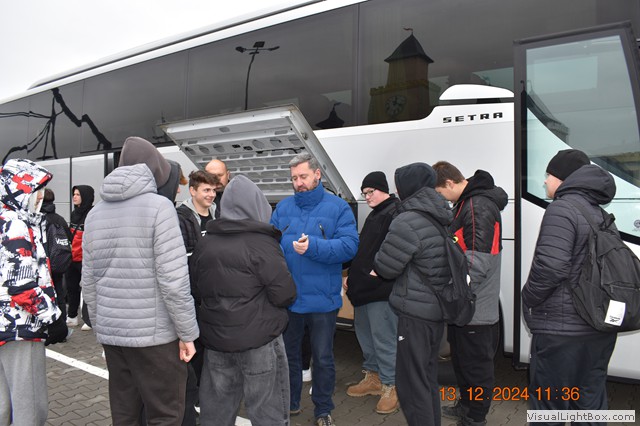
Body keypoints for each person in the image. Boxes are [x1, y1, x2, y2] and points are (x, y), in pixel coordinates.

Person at [82, 136, 199, 425]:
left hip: (113, 336)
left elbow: (89, 281)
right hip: (155, 338)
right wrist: (187, 334)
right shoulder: (160, 208)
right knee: (166, 414)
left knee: (125, 414)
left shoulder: (94, 214)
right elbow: (174, 282)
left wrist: (101, 326)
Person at [522, 149, 617, 425]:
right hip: (597, 329)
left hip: (561, 332)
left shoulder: (561, 209)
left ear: (563, 178)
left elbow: (551, 268)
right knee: (589, 403)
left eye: (548, 175)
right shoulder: (599, 212)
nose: (545, 181)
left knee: (550, 408)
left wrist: (528, 298)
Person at [192, 174, 297, 426]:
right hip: (259, 340)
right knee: (267, 412)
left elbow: (196, 289)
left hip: (216, 340)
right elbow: (285, 294)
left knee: (216, 412)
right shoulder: (262, 243)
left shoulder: (205, 243)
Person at [271, 152, 359, 426]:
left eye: (303, 176)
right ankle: (290, 404)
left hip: (322, 300)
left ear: (317, 175)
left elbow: (350, 247)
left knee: (322, 358)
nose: (298, 183)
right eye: (294, 178)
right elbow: (269, 247)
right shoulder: (283, 208)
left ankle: (323, 409)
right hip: (290, 298)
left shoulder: (338, 208)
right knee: (288, 357)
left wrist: (314, 247)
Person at [373, 162, 452, 426]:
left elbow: (386, 267)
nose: (396, 192)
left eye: (398, 186)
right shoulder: (441, 212)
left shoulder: (407, 220)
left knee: (411, 384)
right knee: (427, 378)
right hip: (436, 309)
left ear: (408, 187)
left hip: (415, 313)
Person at [433, 161, 508, 426]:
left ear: (449, 183)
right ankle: (466, 406)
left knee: (476, 369)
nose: (442, 198)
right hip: (466, 307)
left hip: (475, 309)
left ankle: (475, 417)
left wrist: (454, 293)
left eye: (440, 192)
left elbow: (477, 262)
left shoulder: (478, 206)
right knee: (463, 364)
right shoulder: (467, 203)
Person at [0, 159, 68, 426]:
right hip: (20, 326)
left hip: (4, 325)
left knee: (4, 404)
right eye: (35, 189)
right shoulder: (16, 223)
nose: (40, 196)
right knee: (29, 406)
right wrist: (52, 316)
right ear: (20, 190)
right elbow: (22, 286)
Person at [345, 171, 400, 414]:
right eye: (364, 193)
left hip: (380, 291)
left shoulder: (394, 213)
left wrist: (374, 273)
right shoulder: (377, 213)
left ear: (383, 189)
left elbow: (392, 252)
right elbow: (364, 251)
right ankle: (374, 378)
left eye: (371, 191)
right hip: (364, 290)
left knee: (384, 339)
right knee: (366, 336)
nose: (367, 197)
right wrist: (353, 276)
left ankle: (391, 386)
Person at [176, 169, 220, 426]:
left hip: (211, 295)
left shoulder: (216, 215)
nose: (211, 195)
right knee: (193, 347)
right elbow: (181, 259)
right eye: (206, 190)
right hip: (191, 295)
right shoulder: (181, 218)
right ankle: (190, 397)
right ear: (192, 191)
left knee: (208, 346)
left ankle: (205, 394)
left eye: (214, 190)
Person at [41, 188, 73, 323]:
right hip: (58, 264)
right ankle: (61, 323)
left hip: (43, 265)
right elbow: (69, 239)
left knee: (44, 295)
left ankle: (48, 324)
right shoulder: (59, 219)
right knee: (59, 293)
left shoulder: (38, 219)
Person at [65, 184, 94, 330]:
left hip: (85, 258)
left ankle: (88, 320)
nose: (74, 197)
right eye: (74, 194)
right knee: (71, 288)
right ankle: (72, 316)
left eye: (78, 194)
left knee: (87, 289)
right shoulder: (74, 213)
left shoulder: (92, 214)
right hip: (72, 257)